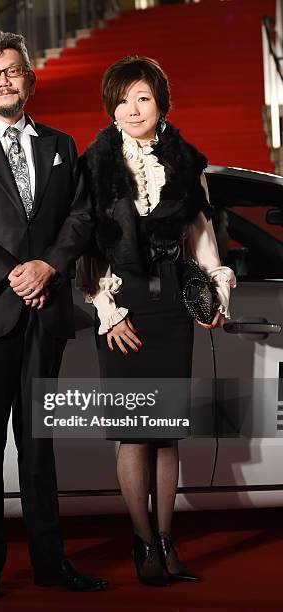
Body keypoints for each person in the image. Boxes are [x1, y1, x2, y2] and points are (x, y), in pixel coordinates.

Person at [0, 30, 108, 602]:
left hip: (45, 310)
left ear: (29, 80)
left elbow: (80, 219)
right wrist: (15, 272)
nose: (5, 80)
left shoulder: (61, 144)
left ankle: (50, 562)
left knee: (39, 443)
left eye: (14, 71)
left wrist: (48, 269)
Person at [77, 56, 236, 586]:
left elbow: (205, 242)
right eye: (122, 99)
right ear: (111, 107)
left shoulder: (188, 163)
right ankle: (143, 542)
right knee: (134, 436)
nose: (132, 109)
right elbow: (87, 253)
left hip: (172, 305)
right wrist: (106, 312)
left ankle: (168, 542)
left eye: (142, 97)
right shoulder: (95, 164)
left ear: (161, 103)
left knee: (166, 434)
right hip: (124, 307)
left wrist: (216, 294)